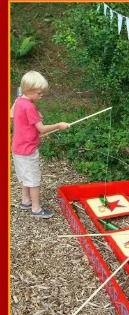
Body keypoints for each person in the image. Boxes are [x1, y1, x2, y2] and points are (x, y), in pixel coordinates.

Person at [11, 71, 70, 218]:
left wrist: (36, 117)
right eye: (39, 93)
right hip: (28, 150)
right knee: (34, 180)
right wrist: (58, 125)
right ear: (28, 90)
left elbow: (15, 116)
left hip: (18, 148)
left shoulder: (19, 101)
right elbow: (42, 129)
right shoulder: (29, 107)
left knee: (26, 177)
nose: (41, 96)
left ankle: (25, 201)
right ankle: (36, 209)